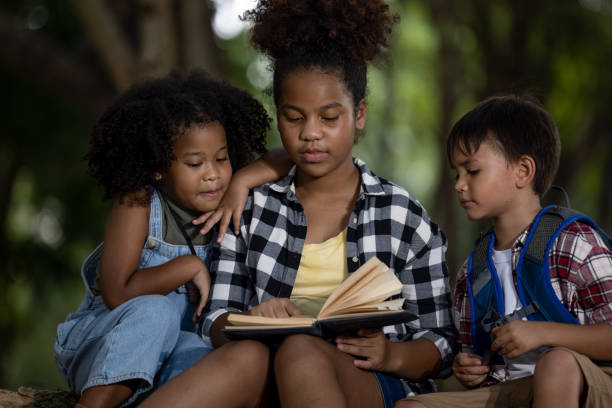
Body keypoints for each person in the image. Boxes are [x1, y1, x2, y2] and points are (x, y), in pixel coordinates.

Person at [190, 1, 457, 407]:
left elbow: (439, 345)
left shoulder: (403, 217)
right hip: (266, 375)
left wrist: (389, 353)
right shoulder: (250, 207)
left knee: (299, 350)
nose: (311, 134)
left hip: (369, 382)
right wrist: (249, 321)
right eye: (294, 118)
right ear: (278, 117)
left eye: (329, 118)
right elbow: (214, 319)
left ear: (359, 115)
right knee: (248, 352)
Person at [54, 69, 289, 408]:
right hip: (103, 343)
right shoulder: (140, 202)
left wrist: (242, 181)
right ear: (159, 167)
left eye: (222, 159)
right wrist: (188, 265)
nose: (213, 174)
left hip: (168, 356)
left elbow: (287, 155)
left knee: (215, 361)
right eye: (195, 163)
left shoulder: (227, 195)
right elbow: (117, 291)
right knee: (157, 312)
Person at [398, 95, 612, 408]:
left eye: (472, 171)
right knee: (412, 406)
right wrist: (467, 369)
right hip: (514, 388)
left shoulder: (574, 244)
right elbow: (477, 355)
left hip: (594, 382)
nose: (459, 184)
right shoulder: (473, 271)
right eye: (456, 173)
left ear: (523, 171)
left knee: (556, 365)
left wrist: (543, 333)